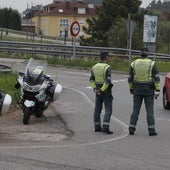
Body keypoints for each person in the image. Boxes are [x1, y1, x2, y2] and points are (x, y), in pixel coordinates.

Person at [128, 47, 160, 136]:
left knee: (135, 110)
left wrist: (131, 89)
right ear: (148, 54)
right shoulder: (152, 63)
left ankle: (131, 128)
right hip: (148, 89)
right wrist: (157, 89)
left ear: (140, 54)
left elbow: (130, 78)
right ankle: (151, 130)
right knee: (149, 110)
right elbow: (156, 77)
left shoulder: (133, 63)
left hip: (137, 89)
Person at [90, 51, 113, 134]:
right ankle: (106, 126)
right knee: (108, 109)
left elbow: (91, 80)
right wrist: (102, 90)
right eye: (108, 57)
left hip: (97, 91)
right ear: (106, 57)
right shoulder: (107, 67)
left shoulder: (94, 67)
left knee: (97, 109)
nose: (109, 58)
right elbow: (107, 81)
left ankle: (97, 127)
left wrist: (95, 89)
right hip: (105, 91)